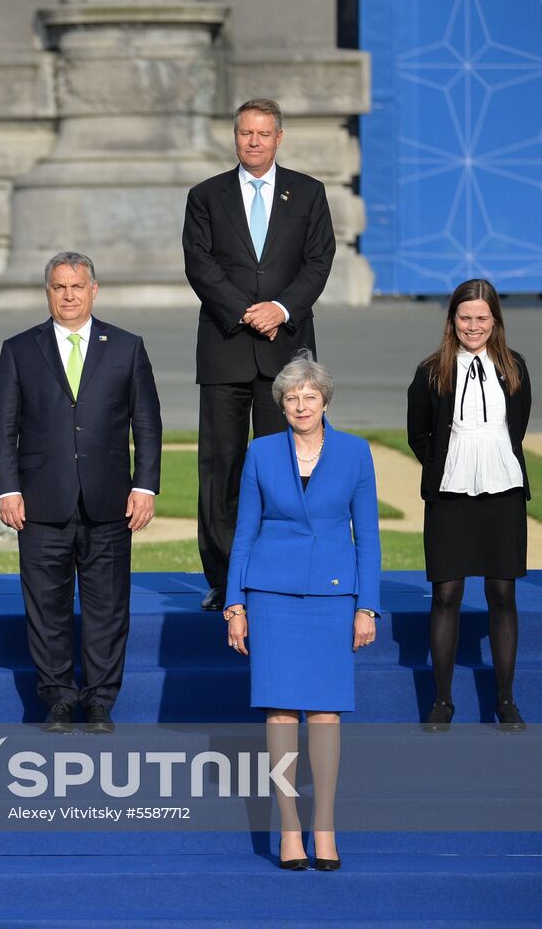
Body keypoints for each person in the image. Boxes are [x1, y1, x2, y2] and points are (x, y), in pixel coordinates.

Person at [0, 252, 162, 735]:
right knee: (46, 608)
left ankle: (100, 700)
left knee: (108, 607)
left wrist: (144, 484)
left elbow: (146, 423)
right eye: (59, 287)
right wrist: (7, 489)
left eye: (76, 286)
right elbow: (2, 427)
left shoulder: (126, 347)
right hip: (41, 502)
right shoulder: (20, 348)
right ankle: (60, 699)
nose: (68, 295)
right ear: (47, 292)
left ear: (93, 290)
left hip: (110, 501)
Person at [223, 353, 380, 872]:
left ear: (325, 400)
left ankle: (325, 827)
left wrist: (367, 608)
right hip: (271, 596)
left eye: (309, 397)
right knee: (281, 711)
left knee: (327, 712)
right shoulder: (262, 453)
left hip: (335, 598)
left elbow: (369, 540)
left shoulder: (356, 454)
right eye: (291, 398)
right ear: (282, 405)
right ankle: (290, 828)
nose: (300, 405)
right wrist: (235, 604)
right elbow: (243, 533)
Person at [183, 97, 336, 612]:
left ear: (278, 137)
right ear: (235, 136)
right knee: (221, 467)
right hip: (226, 346)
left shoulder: (309, 194)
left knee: (286, 468)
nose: (253, 141)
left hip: (287, 354)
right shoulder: (205, 196)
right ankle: (225, 579)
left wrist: (280, 308)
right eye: (245, 133)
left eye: (263, 133)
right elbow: (200, 265)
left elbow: (319, 262)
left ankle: (281, 570)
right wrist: (247, 311)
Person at [407, 278, 531, 733]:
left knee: (502, 593)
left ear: (495, 320)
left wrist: (489, 463)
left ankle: (505, 700)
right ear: (452, 320)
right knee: (447, 595)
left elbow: (515, 428)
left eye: (482, 318)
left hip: (503, 493)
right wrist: (451, 466)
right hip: (450, 494)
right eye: (465, 318)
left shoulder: (514, 366)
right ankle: (442, 701)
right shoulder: (430, 371)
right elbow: (419, 433)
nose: (473, 326)